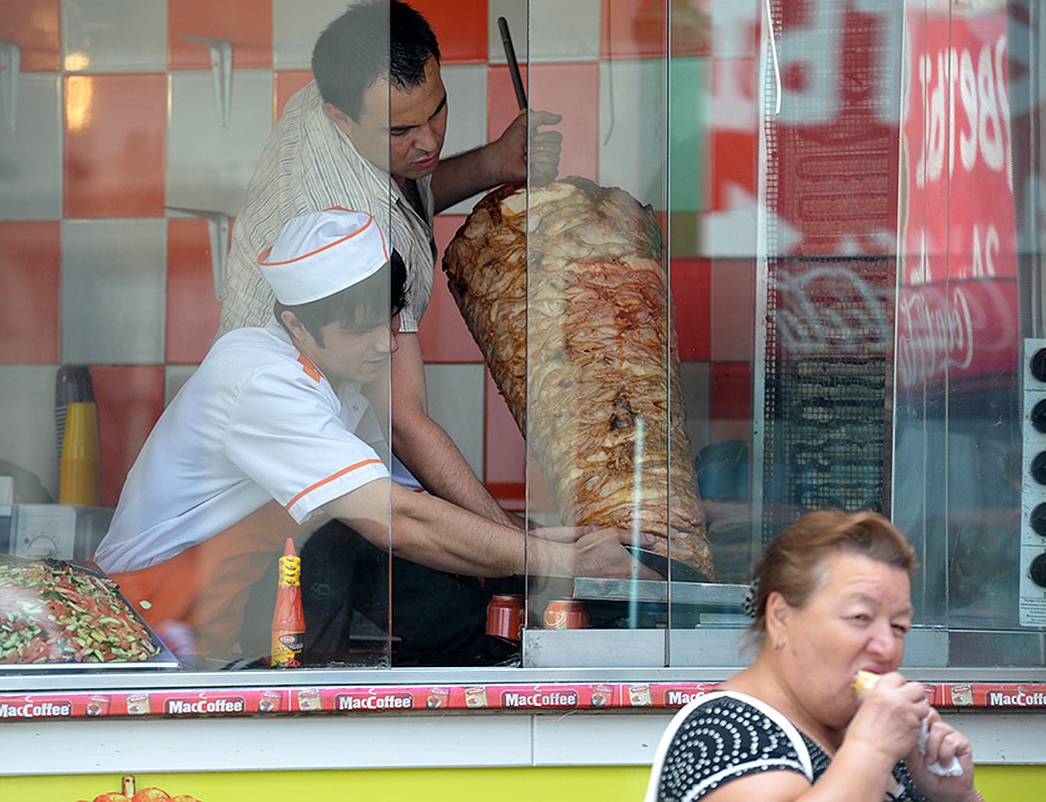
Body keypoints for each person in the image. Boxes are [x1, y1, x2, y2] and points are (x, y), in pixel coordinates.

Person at [96, 209, 649, 665]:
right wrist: (559, 564)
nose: (385, 345)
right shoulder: (261, 381)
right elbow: (397, 521)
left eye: (387, 321)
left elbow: (413, 501)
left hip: (224, 616)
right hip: (156, 620)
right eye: (358, 329)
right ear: (296, 325)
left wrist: (546, 541)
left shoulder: (333, 376)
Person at [220, 0, 562, 533]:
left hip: (341, 439)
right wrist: (517, 546)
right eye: (401, 131)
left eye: (438, 110)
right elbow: (405, 422)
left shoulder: (332, 97)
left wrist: (493, 161)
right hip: (284, 490)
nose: (428, 141)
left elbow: (405, 191)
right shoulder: (356, 225)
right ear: (341, 117)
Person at [644, 510, 982, 802]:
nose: (888, 647)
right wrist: (872, 752)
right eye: (860, 617)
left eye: (898, 626)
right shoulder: (723, 732)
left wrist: (956, 796)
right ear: (781, 617)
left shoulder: (875, 733)